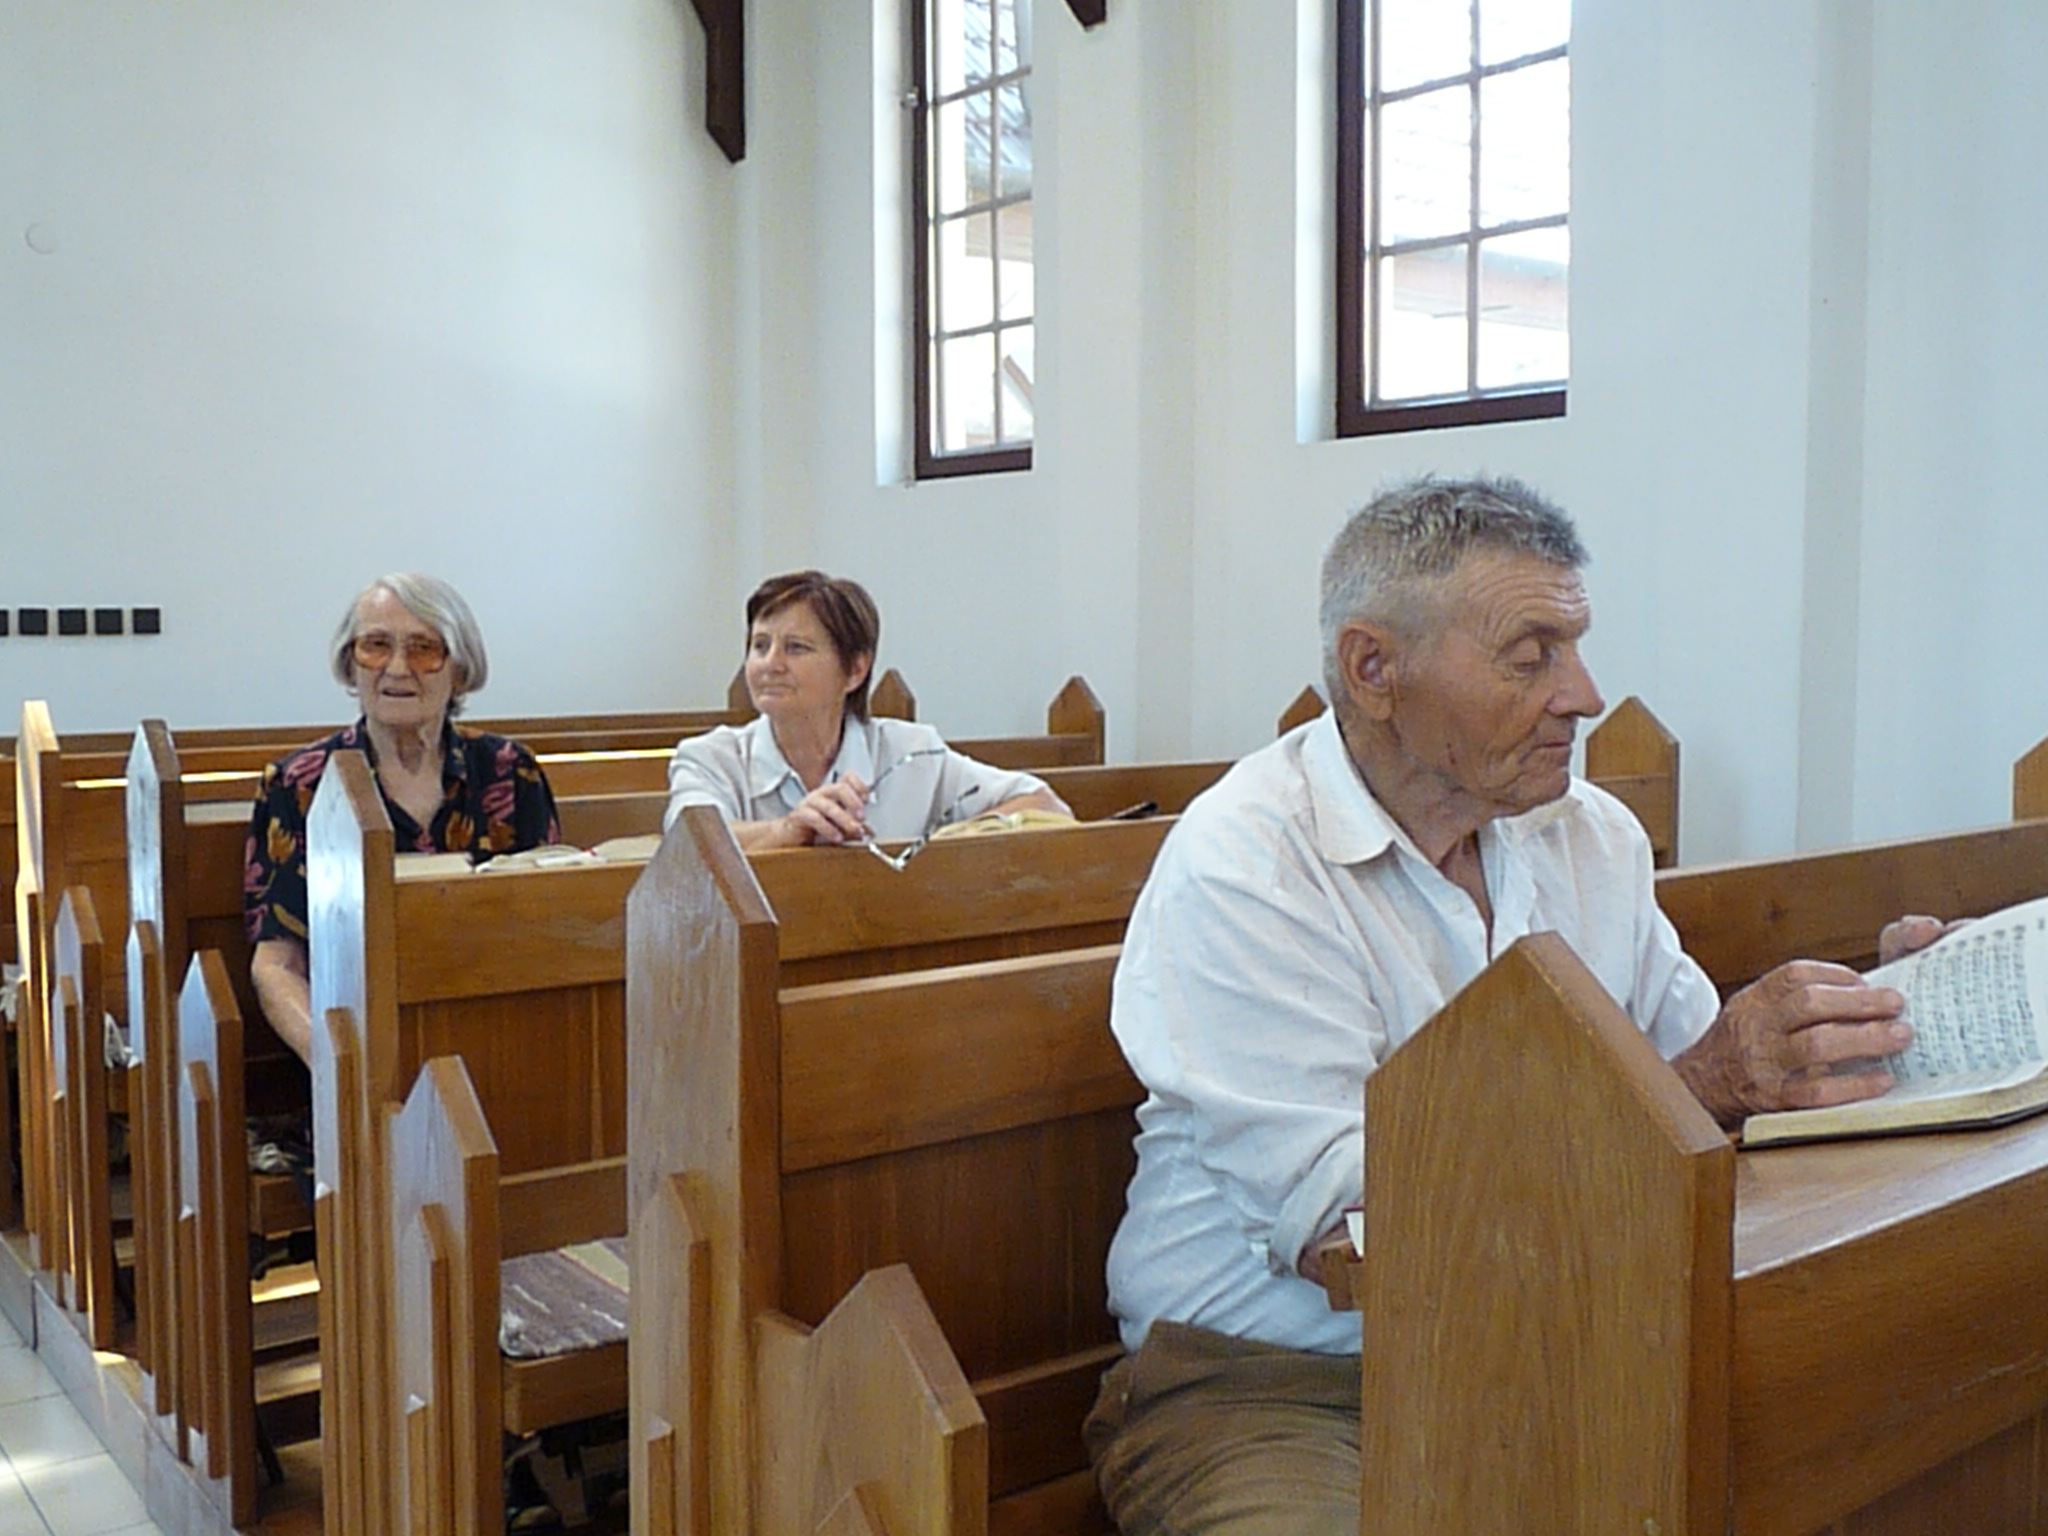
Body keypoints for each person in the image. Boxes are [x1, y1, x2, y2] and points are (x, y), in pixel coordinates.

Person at [1085, 476, 1945, 1536]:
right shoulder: (1247, 865)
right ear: (1373, 670)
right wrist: (1705, 1080)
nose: (1583, 694)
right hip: (1284, 1388)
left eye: (1574, 648)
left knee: (1887, 1439)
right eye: (1530, 656)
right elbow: (1361, 1237)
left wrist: (1886, 1019)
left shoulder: (1587, 835)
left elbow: (1714, 1092)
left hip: (1570, 1337)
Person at [244, 573, 560, 1064]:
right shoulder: (299, 784)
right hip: (355, 1043)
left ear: (459, 669)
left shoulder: (510, 772)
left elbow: (548, 928)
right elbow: (277, 965)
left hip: (498, 1034)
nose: (396, 668)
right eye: (375, 646)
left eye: (423, 648)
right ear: (350, 665)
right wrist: (338, 1068)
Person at [665, 569, 1071, 849]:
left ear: (855, 670)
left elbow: (1044, 804)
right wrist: (789, 830)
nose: (771, 663)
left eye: (796, 648)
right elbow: (688, 845)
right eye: (760, 646)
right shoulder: (710, 758)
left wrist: (940, 848)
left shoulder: (913, 752)